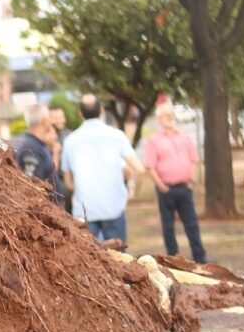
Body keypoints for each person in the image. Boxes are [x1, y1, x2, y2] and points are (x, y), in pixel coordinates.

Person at [61, 93, 144, 244]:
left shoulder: (69, 141)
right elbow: (139, 169)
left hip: (84, 212)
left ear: (80, 113)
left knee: (89, 262)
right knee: (120, 261)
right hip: (113, 208)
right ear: (102, 111)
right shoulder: (117, 136)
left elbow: (68, 183)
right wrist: (133, 192)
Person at [142, 102, 207, 263]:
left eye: (171, 115)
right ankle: (173, 258)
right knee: (168, 226)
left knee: (191, 223)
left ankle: (200, 257)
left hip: (184, 187)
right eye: (166, 115)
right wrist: (161, 185)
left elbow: (193, 159)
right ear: (159, 118)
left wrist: (191, 178)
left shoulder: (183, 136)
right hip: (166, 189)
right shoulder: (153, 140)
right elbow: (150, 166)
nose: (170, 118)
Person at [12, 103, 64, 205]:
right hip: (45, 212)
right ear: (44, 121)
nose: (52, 121)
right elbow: (32, 186)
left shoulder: (37, 145)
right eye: (49, 117)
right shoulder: (31, 148)